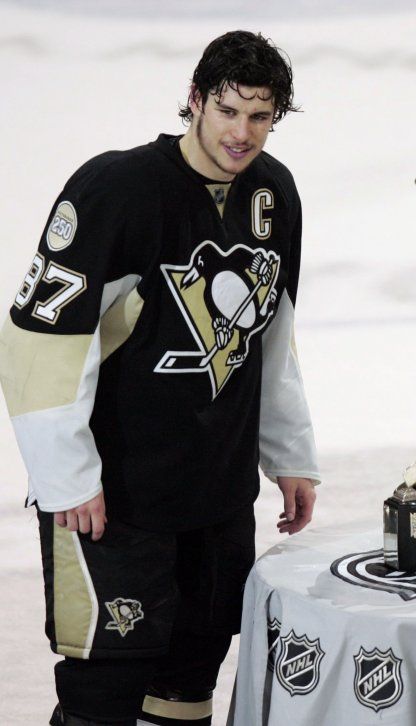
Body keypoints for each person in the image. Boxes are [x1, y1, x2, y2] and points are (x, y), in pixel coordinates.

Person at [0, 30, 320, 726]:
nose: (242, 133)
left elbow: (272, 335)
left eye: (260, 117)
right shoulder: (116, 189)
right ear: (195, 100)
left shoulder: (274, 196)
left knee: (188, 681)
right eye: (229, 111)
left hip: (218, 492)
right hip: (118, 501)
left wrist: (290, 455)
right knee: (104, 693)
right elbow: (39, 338)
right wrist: (68, 477)